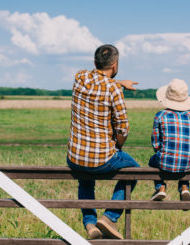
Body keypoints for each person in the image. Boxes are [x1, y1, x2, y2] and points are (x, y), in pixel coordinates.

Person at [67, 44, 140, 240]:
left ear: (94, 63)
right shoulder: (114, 90)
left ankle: (90, 223)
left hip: (75, 157)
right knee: (134, 171)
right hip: (102, 159)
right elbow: (123, 128)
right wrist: (118, 147)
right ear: (115, 65)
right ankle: (109, 217)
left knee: (85, 180)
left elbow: (99, 80)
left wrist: (119, 83)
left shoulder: (79, 77)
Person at [149, 78, 190, 201]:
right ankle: (184, 187)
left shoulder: (161, 115)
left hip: (164, 160)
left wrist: (162, 152)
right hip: (187, 161)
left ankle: (160, 187)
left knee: (152, 162)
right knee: (184, 160)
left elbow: (155, 143)